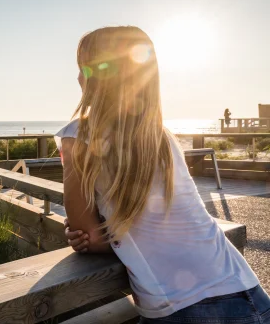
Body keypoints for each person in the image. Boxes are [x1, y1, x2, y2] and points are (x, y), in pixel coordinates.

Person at [57, 26, 268, 323]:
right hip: (245, 290)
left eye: (82, 68)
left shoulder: (78, 135)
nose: (78, 77)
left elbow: (88, 236)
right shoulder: (160, 136)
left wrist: (90, 235)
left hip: (183, 307)